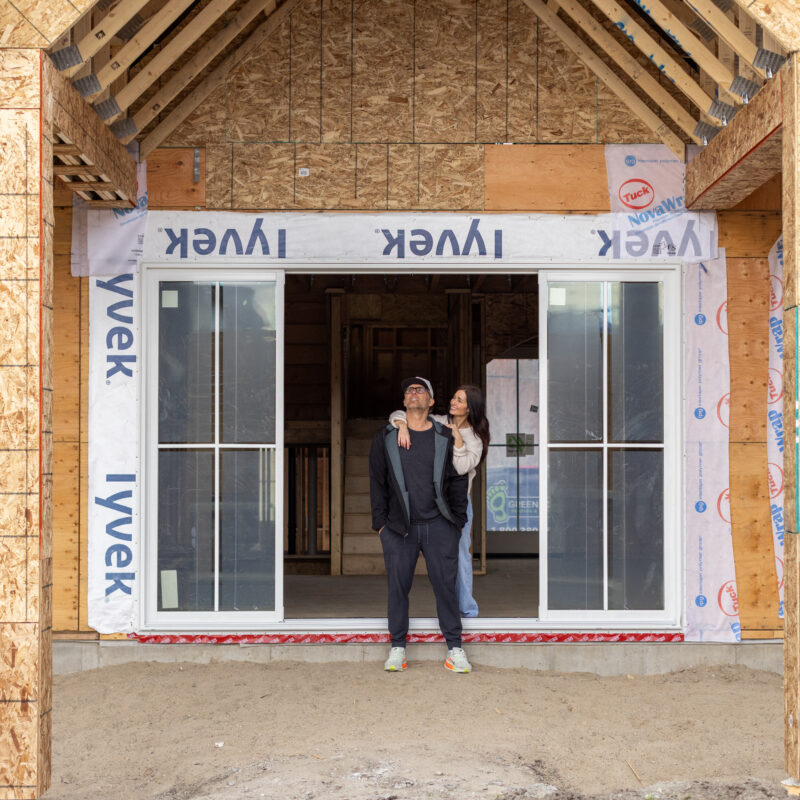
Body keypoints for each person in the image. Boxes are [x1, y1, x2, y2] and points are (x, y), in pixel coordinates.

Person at [369, 376, 471, 673]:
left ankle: (455, 649)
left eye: (420, 389)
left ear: (431, 401)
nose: (414, 393)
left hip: (439, 525)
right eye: (409, 390)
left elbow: (458, 478)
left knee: (446, 588)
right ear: (404, 401)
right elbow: (377, 481)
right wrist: (381, 525)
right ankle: (397, 648)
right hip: (399, 528)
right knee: (398, 588)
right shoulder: (385, 437)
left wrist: (458, 522)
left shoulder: (445, 435)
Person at [389, 384, 490, 618]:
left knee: (461, 554)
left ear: (470, 408)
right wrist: (402, 425)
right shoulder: (438, 421)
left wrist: (457, 441)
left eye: (460, 400)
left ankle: (467, 609)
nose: (453, 402)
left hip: (457, 503)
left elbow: (462, 467)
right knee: (439, 557)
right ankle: (448, 609)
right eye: (454, 397)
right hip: (433, 499)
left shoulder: (475, 438)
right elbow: (399, 413)